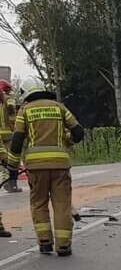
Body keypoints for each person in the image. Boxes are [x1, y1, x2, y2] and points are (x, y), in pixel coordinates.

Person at [6, 80, 84, 256]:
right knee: (62, 205)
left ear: (25, 93)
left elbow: (17, 140)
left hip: (36, 167)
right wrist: (67, 142)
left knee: (39, 204)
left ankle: (45, 242)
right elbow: (79, 132)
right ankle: (63, 245)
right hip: (60, 165)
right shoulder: (59, 107)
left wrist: (12, 165)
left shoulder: (24, 110)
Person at [0, 79, 19, 190]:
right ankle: (10, 183)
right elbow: (12, 111)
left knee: (3, 159)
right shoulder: (8, 99)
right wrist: (15, 125)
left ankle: (4, 182)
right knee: (11, 158)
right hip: (7, 134)